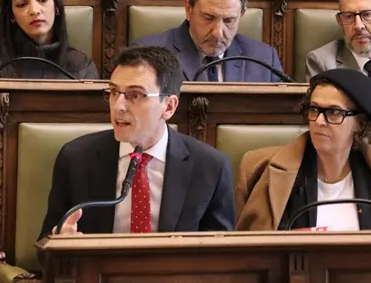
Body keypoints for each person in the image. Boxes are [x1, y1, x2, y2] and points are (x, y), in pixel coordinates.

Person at [39, 46, 235, 237]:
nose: (118, 106)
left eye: (135, 95)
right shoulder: (76, 159)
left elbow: (221, 252)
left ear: (169, 106)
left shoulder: (210, 167)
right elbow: (46, 241)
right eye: (114, 92)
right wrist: (60, 242)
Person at [0, 0, 98, 213]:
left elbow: (93, 129)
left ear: (56, 6)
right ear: (12, 15)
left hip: (69, 169)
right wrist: (23, 153)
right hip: (3, 170)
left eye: (42, 0)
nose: (34, 10)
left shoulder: (81, 65)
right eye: (22, 4)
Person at [235, 68, 371, 231]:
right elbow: (242, 251)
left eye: (334, 112)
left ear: (360, 123)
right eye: (314, 109)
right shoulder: (257, 168)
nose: (319, 121)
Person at [132, 0, 283, 82]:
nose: (218, 33)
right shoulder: (146, 56)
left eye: (228, 20)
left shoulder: (264, 59)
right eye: (208, 18)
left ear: (242, 14)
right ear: (188, 9)